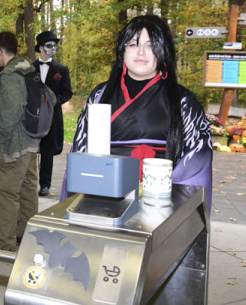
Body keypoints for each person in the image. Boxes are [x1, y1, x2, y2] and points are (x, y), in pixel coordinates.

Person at [61, 15, 213, 206]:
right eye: (132, 44)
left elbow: (196, 163)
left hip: (159, 200)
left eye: (150, 45)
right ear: (122, 51)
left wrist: (164, 197)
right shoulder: (100, 94)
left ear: (164, 51)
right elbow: (80, 150)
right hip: (101, 194)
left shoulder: (183, 101)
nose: (141, 52)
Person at [0, 31, 45, 252]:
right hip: (31, 142)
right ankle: (28, 238)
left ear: (1, 52)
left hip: (13, 145)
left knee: (4, 194)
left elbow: (12, 110)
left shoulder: (11, 75)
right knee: (28, 191)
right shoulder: (30, 70)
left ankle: (4, 244)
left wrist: (2, 136)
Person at [32, 31, 72, 197]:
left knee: (47, 150)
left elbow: (67, 92)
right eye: (49, 45)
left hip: (51, 116)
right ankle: (29, 180)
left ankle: (45, 184)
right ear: (41, 47)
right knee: (31, 149)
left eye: (55, 46)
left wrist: (54, 102)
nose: (53, 48)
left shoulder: (61, 69)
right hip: (32, 115)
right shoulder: (30, 68)